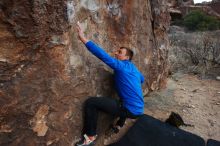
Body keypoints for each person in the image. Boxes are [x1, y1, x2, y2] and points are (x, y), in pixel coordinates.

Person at [75, 21, 145, 146]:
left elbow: (103, 56)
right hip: (139, 109)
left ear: (126, 57)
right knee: (123, 98)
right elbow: (142, 79)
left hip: (130, 109)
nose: (116, 53)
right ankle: (119, 125)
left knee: (91, 103)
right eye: (117, 51)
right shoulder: (133, 68)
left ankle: (90, 137)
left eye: (119, 53)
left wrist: (82, 37)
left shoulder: (120, 66)